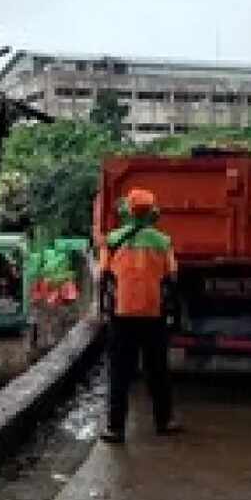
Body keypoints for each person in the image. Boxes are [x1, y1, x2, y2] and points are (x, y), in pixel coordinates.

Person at [97, 188, 180, 444]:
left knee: (120, 373)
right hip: (153, 315)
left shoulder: (112, 241)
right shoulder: (163, 242)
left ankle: (116, 428)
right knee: (157, 371)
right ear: (153, 212)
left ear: (128, 211)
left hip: (122, 316)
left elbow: (102, 274)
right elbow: (172, 276)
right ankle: (164, 421)